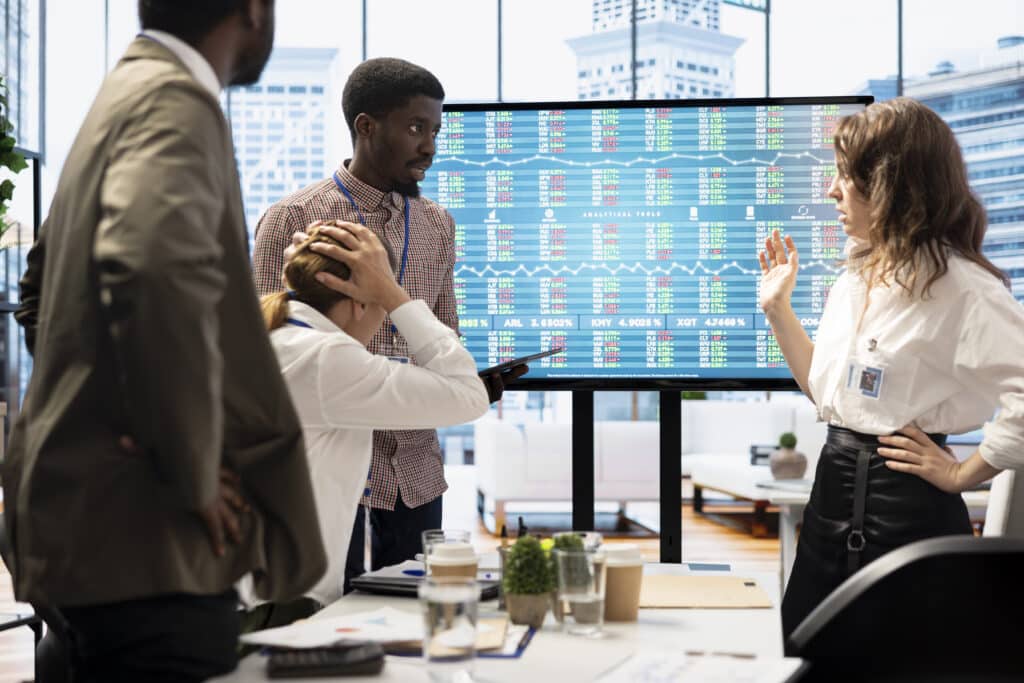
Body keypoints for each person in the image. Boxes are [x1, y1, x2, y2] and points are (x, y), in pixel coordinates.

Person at [3, 1, 327, 680]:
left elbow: (47, 292)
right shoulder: (175, 102)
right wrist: (192, 461)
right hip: (146, 539)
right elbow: (148, 266)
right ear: (252, 11)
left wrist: (106, 400)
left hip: (88, 533)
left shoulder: (122, 94)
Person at [759, 97, 1024, 641]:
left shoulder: (967, 288)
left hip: (909, 513)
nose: (832, 191)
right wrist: (778, 311)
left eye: (846, 176)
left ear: (891, 184)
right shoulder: (854, 280)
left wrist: (963, 473)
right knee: (803, 654)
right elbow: (831, 396)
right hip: (830, 497)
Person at [252, 57, 523, 589]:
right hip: (326, 469)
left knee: (418, 611)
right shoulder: (291, 217)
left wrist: (469, 383)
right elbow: (269, 344)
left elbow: (444, 328)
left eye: (436, 130)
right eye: (417, 127)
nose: (430, 146)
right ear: (366, 127)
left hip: (414, 468)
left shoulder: (437, 224)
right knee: (324, 610)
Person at [239, 222, 490, 628]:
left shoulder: (267, 338)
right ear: (359, 302)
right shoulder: (325, 359)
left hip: (236, 598)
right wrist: (394, 295)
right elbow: (469, 394)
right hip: (277, 611)